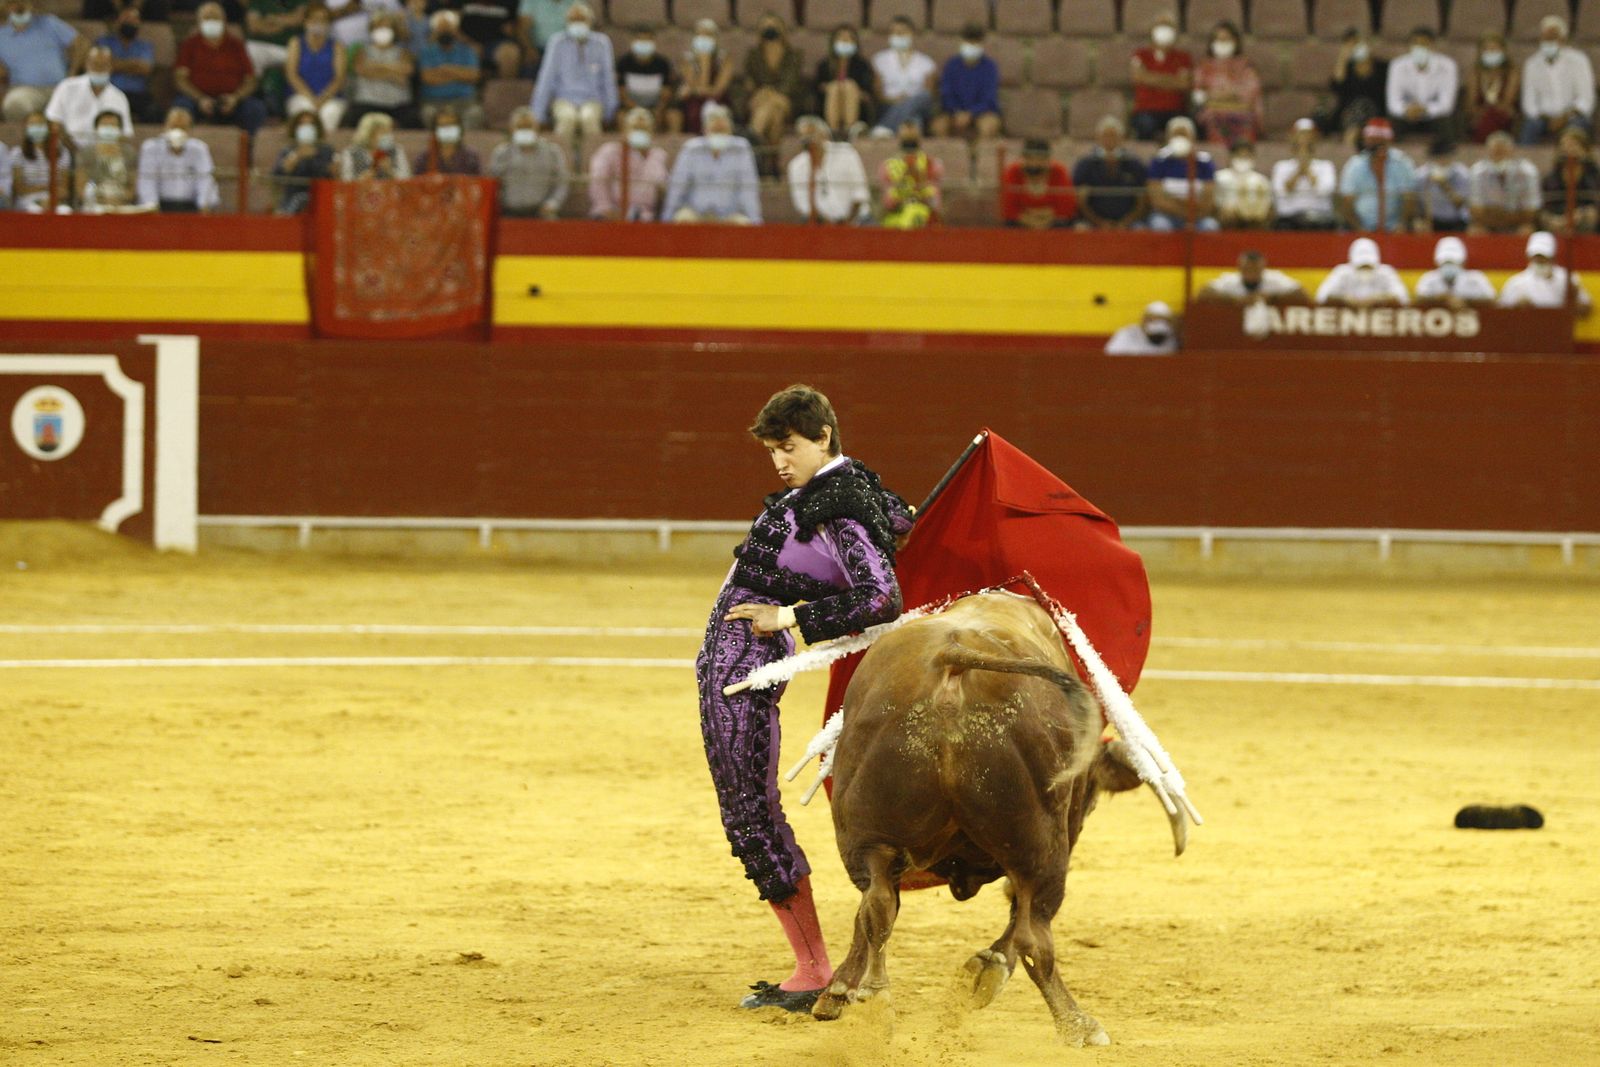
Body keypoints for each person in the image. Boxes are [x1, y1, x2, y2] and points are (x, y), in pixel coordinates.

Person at [695, 383, 913, 1014]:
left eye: (788, 447)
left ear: (824, 438)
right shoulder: (845, 488)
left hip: (744, 671)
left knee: (749, 811)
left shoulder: (837, 505)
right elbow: (901, 524)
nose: (779, 463)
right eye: (771, 451)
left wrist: (788, 614)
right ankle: (817, 960)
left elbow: (881, 597)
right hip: (742, 663)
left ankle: (814, 966)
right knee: (750, 810)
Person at [174, 2, 266, 136]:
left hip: (231, 101)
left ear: (224, 21)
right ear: (199, 22)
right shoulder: (190, 45)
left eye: (215, 18)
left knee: (256, 109)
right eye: (207, 18)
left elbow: (250, 80)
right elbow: (180, 78)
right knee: (181, 107)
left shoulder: (236, 45)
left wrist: (235, 98)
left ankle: (248, 150)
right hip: (197, 100)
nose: (211, 22)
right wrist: (200, 99)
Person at [530, 1, 616, 143]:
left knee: (589, 119)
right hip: (563, 99)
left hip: (592, 99)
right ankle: (562, 161)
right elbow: (546, 78)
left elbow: (608, 79)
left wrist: (610, 111)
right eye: (573, 20)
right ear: (567, 22)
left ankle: (592, 162)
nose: (578, 24)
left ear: (590, 22)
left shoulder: (602, 43)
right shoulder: (557, 42)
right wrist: (538, 115)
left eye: (581, 19)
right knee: (566, 119)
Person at [662, 101, 759, 224]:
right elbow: (677, 188)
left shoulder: (741, 148)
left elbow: (748, 190)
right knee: (682, 218)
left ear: (731, 129)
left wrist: (756, 222)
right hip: (696, 214)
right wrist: (666, 221)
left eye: (722, 125)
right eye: (714, 124)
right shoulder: (691, 149)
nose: (718, 124)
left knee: (744, 223)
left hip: (729, 216)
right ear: (704, 129)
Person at [0, 0, 82, 122]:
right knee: (14, 105)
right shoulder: (1, 36)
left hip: (60, 87)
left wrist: (73, 73)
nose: (18, 7)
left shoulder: (49, 22)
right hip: (25, 90)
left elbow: (81, 44)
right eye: (13, 4)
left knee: (82, 103)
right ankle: (28, 140)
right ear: (6, 8)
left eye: (22, 4)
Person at [737, 12, 806, 156]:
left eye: (773, 26)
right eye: (766, 26)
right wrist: (762, 94)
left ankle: (752, 141)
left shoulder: (794, 55)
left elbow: (790, 84)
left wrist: (767, 92)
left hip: (787, 100)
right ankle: (772, 160)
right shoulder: (753, 55)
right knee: (774, 115)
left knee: (771, 106)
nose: (770, 29)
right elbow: (749, 82)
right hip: (759, 100)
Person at [1518, 15, 1593, 145]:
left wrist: (1565, 117)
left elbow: (1586, 99)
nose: (1548, 42)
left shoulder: (1579, 61)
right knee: (1530, 126)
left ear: (1563, 39)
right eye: (1545, 38)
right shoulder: (1532, 64)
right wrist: (1546, 118)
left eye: (1552, 38)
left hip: (1572, 116)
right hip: (1543, 117)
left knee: (1578, 125)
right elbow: (1529, 103)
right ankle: (1527, 163)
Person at [1337, 117, 1418, 232]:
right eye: (1372, 142)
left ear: (1389, 141)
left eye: (1381, 142)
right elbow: (1346, 203)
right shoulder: (1354, 165)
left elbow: (1409, 198)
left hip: (1395, 227)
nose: (1377, 146)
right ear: (1366, 142)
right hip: (1361, 226)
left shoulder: (1402, 163)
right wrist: (1360, 229)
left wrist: (1402, 224)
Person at [587, 105, 668, 220]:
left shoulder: (658, 155)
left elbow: (662, 183)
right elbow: (598, 181)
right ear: (625, 130)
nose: (641, 133)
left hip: (644, 216)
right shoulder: (609, 151)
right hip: (611, 214)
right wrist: (606, 208)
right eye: (636, 128)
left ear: (652, 132)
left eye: (644, 129)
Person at [44, 44, 131, 150]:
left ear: (110, 66)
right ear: (87, 65)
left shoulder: (119, 97)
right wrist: (73, 149)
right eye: (95, 64)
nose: (99, 69)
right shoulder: (67, 87)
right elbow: (54, 121)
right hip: (68, 149)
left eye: (103, 65)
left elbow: (126, 134)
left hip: (104, 154)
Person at [787, 114, 870, 224]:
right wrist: (824, 220)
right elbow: (802, 204)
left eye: (811, 135)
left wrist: (846, 222)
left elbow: (860, 194)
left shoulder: (846, 153)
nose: (807, 140)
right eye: (803, 137)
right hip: (819, 222)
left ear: (824, 135)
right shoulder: (796, 165)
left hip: (855, 219)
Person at [488, 106, 566, 217]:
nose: (525, 130)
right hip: (508, 212)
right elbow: (494, 184)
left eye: (529, 127)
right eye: (520, 127)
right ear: (512, 129)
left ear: (537, 128)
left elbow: (561, 183)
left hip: (541, 212)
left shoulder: (553, 152)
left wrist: (553, 203)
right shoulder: (501, 153)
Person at [136, 108, 219, 212]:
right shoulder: (151, 148)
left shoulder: (199, 149)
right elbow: (146, 180)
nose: (178, 131)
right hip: (160, 206)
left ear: (190, 130)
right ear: (165, 127)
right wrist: (152, 207)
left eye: (183, 128)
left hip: (191, 206)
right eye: (174, 126)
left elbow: (205, 180)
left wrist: (204, 206)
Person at [1192, 20, 1260, 145]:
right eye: (1218, 39)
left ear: (1235, 41)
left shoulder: (1246, 66)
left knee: (1245, 119)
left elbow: (1249, 96)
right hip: (1212, 115)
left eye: (1226, 39)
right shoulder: (1203, 66)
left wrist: (1218, 97)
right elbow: (1199, 97)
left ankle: (1243, 155)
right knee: (1213, 119)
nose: (1222, 43)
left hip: (1242, 113)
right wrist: (1230, 96)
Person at [1385, 26, 1457, 143]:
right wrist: (1406, 110)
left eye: (1424, 44)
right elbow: (1393, 102)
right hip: (1407, 116)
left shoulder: (1447, 66)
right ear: (1409, 47)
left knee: (1446, 122)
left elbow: (1446, 104)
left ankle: (1445, 158)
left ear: (1432, 46)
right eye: (1415, 44)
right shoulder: (1397, 65)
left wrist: (1424, 109)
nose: (1419, 48)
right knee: (1391, 123)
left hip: (1433, 116)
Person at [1145, 115, 1217, 231]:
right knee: (1160, 226)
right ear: (1168, 138)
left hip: (1198, 216)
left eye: (1184, 135)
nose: (1180, 139)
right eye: (1176, 135)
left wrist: (1193, 216)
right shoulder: (1159, 160)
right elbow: (1157, 200)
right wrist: (1186, 213)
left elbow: (1208, 200)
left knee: (1210, 227)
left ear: (1192, 138)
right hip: (1166, 215)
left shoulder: (1205, 162)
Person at [1072, 115, 1146, 229]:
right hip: (1091, 221)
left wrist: (1126, 222)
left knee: (1142, 229)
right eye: (1106, 136)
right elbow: (1079, 199)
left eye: (1114, 136)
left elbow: (1143, 200)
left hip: (1130, 221)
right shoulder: (1086, 164)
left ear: (1122, 138)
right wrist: (1099, 222)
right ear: (1098, 138)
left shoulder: (1134, 163)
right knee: (1080, 228)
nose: (1110, 140)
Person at [284, 5, 346, 135]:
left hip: (330, 97)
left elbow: (339, 78)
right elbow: (291, 74)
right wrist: (312, 99)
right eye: (314, 19)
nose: (318, 23)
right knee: (305, 111)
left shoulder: (337, 46)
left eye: (323, 20)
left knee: (329, 113)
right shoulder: (296, 43)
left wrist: (322, 99)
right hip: (301, 95)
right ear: (306, 21)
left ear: (329, 24)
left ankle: (324, 152)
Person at [1129, 12, 1191, 142]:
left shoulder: (1183, 57)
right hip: (1145, 111)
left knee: (1187, 126)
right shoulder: (1140, 55)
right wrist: (1170, 80)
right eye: (1160, 25)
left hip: (1175, 110)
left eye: (1168, 26)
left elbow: (1183, 84)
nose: (1164, 30)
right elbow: (1138, 78)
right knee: (1145, 126)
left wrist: (1150, 78)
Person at [347, 10, 415, 129]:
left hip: (397, 103)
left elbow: (407, 70)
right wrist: (393, 73)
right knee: (351, 119)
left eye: (386, 26)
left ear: (393, 30)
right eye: (378, 26)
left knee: (413, 120)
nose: (382, 30)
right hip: (367, 101)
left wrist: (376, 68)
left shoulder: (403, 52)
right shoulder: (362, 50)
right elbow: (361, 70)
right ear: (372, 30)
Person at [417, 9, 483, 130]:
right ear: (435, 31)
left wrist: (445, 69)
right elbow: (428, 78)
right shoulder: (426, 52)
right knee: (427, 113)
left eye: (449, 28)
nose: (445, 32)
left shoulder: (467, 51)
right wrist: (459, 74)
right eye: (442, 29)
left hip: (464, 102)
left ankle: (464, 148)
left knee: (475, 114)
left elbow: (473, 76)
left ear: (455, 30)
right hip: (434, 102)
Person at [870, 15, 934, 138]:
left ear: (912, 34)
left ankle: (884, 127)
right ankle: (910, 151)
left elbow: (928, 95)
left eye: (902, 32)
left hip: (917, 103)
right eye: (895, 32)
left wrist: (909, 101)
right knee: (914, 119)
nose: (898, 35)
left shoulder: (926, 62)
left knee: (923, 97)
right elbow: (877, 93)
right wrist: (895, 100)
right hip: (889, 105)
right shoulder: (879, 60)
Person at [933, 22, 1000, 140]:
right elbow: (946, 94)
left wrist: (970, 114)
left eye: (975, 42)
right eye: (968, 42)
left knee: (988, 126)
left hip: (982, 113)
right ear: (961, 42)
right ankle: (946, 156)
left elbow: (989, 99)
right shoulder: (951, 65)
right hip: (953, 112)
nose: (971, 46)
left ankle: (982, 157)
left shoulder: (990, 67)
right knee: (938, 126)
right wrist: (956, 112)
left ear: (981, 44)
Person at [1497, 229, 1591, 313]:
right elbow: (1500, 312)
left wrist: (1573, 300)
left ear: (1553, 257)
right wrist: (1517, 308)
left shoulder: (1567, 279)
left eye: (1544, 257)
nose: (1540, 261)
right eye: (1536, 257)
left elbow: (1586, 308)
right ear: (1529, 257)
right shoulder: (1516, 283)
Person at [1320, 28, 1387, 145]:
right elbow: (1337, 86)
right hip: (1348, 112)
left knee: (1361, 107)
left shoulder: (1382, 67)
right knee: (1321, 114)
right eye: (1350, 44)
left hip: (1375, 111)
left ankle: (1350, 143)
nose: (1355, 47)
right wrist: (1342, 58)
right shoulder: (1347, 69)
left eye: (1357, 42)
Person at [1468, 130, 1540, 234]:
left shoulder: (1527, 171)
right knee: (1475, 230)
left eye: (1502, 152)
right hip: (1488, 224)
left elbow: (1531, 212)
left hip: (1517, 224)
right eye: (1495, 152)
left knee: (1526, 230)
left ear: (1512, 151)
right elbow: (1476, 211)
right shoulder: (1477, 171)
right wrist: (1510, 213)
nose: (1499, 156)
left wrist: (1496, 212)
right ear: (1488, 152)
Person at [1271, 118, 1338, 230]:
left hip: (1320, 218)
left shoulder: (1326, 166)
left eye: (1308, 135)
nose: (1304, 139)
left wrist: (1307, 169)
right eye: (1301, 134)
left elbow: (1324, 190)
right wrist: (1298, 171)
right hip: (1288, 219)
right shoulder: (1281, 167)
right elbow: (1280, 191)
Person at [879, 119, 940, 229]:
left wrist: (919, 182)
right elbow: (887, 203)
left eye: (912, 132)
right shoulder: (888, 165)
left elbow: (935, 201)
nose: (909, 134)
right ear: (899, 137)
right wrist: (901, 186)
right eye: (906, 133)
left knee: (914, 215)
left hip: (923, 216)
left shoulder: (931, 164)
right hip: (896, 217)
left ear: (919, 137)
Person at [674, 18, 732, 135]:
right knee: (693, 111)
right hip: (694, 100)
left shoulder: (725, 58)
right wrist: (703, 62)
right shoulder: (687, 59)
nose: (704, 38)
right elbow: (694, 86)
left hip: (718, 100)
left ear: (715, 39)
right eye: (700, 34)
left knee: (711, 108)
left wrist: (705, 62)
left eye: (708, 35)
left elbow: (718, 90)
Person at [814, 23, 874, 136]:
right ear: (833, 41)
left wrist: (851, 90)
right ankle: (832, 131)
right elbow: (816, 89)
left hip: (858, 109)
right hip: (827, 105)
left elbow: (868, 93)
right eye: (841, 37)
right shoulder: (824, 65)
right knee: (835, 87)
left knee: (849, 86)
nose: (845, 40)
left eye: (849, 38)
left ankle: (849, 131)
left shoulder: (862, 65)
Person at [96, 6, 154, 121]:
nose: (130, 23)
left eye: (134, 20)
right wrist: (133, 64)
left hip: (137, 94)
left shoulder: (145, 46)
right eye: (127, 19)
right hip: (109, 91)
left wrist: (115, 64)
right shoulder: (104, 42)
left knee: (154, 113)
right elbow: (102, 66)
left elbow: (145, 68)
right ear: (117, 22)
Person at [270, 109, 334, 213]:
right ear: (295, 128)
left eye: (311, 125)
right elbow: (276, 176)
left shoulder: (325, 150)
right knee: (300, 200)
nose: (306, 128)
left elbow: (328, 175)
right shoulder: (288, 150)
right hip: (291, 198)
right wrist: (296, 157)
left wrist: (314, 156)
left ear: (317, 128)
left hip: (320, 199)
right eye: (302, 124)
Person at [1001, 138, 1074, 229]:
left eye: (1040, 159)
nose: (1034, 163)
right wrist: (1036, 221)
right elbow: (1009, 209)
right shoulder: (1012, 171)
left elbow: (1065, 209)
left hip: (1054, 225)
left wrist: (1031, 213)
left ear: (1048, 159)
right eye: (1030, 158)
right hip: (1020, 225)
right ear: (1023, 158)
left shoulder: (1059, 172)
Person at [614, 24, 675, 132]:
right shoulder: (623, 63)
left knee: (673, 116)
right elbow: (621, 93)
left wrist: (658, 109)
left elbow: (666, 93)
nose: (644, 43)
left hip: (655, 107)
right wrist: (638, 111)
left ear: (654, 42)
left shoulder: (662, 64)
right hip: (631, 107)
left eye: (647, 40)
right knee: (621, 116)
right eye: (640, 39)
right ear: (633, 42)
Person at [1315, 237, 1408, 306]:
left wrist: (1379, 298)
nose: (1365, 269)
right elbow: (1321, 297)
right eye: (1361, 266)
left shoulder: (1386, 273)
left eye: (1368, 266)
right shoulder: (1342, 273)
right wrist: (1344, 299)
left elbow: (1403, 298)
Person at [76, 106, 137, 210]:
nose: (109, 128)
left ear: (120, 130)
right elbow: (80, 189)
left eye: (113, 125)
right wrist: (103, 201)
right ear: (96, 129)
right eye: (104, 125)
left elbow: (132, 189)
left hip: (122, 204)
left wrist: (119, 201)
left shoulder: (129, 153)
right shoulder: (86, 153)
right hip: (94, 204)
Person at [1540, 128, 1600, 234]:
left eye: (1574, 144)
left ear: (1585, 150)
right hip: (1557, 219)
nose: (1568, 149)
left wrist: (1582, 214)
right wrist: (1555, 220)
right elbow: (1542, 206)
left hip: (1587, 220)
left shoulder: (1596, 176)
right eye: (1564, 145)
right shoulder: (1550, 178)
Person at [8, 110, 69, 210]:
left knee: (65, 211)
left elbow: (64, 189)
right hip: (27, 200)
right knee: (36, 210)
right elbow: (19, 188)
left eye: (40, 124)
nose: (36, 128)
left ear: (48, 127)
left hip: (55, 199)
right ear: (26, 127)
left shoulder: (62, 153)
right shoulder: (17, 153)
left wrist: (51, 199)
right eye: (32, 124)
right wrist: (44, 190)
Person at [1465, 31, 1518, 143]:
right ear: (1481, 52)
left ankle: (1480, 148)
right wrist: (1479, 112)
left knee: (1491, 116)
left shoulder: (1511, 73)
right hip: (1480, 115)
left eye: (1494, 49)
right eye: (1487, 49)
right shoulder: (1475, 73)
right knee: (1484, 118)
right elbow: (1471, 103)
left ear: (1503, 51)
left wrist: (1489, 112)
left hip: (1503, 114)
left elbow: (1507, 102)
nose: (1491, 52)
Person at [1414, 236, 1495, 307]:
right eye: (1446, 262)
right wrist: (1442, 299)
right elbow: (1417, 301)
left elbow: (1492, 302)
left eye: (1453, 262)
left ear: (1463, 263)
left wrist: (1465, 301)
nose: (1449, 266)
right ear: (1437, 263)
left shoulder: (1476, 279)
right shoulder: (1428, 279)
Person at [1199, 249, 1305, 304]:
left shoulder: (1275, 279)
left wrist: (1272, 298)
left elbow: (1301, 294)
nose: (1251, 273)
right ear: (1240, 268)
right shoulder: (1230, 280)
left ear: (1263, 269)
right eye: (1247, 269)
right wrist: (1234, 300)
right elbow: (1204, 293)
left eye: (1255, 269)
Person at [1213, 139, 1270, 228]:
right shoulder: (1220, 177)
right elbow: (1214, 203)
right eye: (1239, 155)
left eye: (1246, 156)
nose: (1243, 159)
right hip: (1228, 219)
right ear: (1231, 156)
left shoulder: (1261, 180)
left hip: (1254, 218)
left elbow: (1266, 204)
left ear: (1253, 157)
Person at [1417, 136, 1469, 231]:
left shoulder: (1461, 173)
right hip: (1432, 221)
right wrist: (1420, 219)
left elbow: (1460, 203)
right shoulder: (1423, 175)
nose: (1442, 160)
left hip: (1456, 221)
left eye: (1446, 157)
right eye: (1439, 157)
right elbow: (1418, 202)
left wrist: (1444, 185)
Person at [340, 108, 410, 178]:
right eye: (384, 132)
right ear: (369, 133)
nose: (388, 135)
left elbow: (406, 179)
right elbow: (346, 180)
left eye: (389, 131)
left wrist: (390, 171)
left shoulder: (396, 150)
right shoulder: (351, 153)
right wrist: (362, 180)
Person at [244, 0, 304, 79]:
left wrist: (275, 20)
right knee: (249, 49)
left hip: (288, 48)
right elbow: (254, 26)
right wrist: (274, 27)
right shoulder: (258, 2)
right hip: (262, 46)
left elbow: (298, 19)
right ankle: (252, 87)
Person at [415, 104, 481, 174]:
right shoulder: (423, 159)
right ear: (435, 131)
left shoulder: (471, 158)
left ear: (460, 129)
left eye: (451, 125)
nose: (447, 129)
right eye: (443, 126)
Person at [1105, 300, 1178, 355]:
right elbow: (1111, 357)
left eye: (1162, 320)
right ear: (1144, 320)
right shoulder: (1127, 333)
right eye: (1152, 319)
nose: (1158, 323)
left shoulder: (1171, 338)